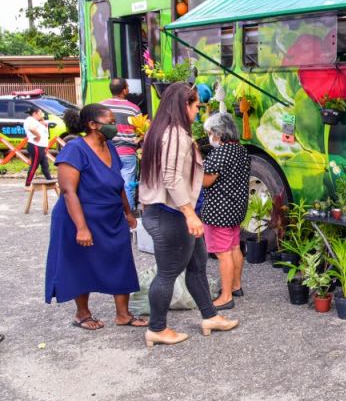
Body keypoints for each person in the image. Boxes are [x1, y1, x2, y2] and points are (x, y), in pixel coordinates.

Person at [139, 83, 238, 347]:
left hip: (172, 212)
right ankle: (157, 328)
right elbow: (171, 177)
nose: (197, 111)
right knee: (168, 273)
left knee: (197, 266)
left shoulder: (160, 131)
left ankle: (210, 316)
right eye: (195, 106)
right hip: (170, 213)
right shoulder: (174, 135)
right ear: (184, 105)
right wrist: (189, 214)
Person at [44, 104, 147, 330]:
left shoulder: (109, 146)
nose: (114, 126)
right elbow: (68, 191)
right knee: (80, 263)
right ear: (92, 125)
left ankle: (123, 314)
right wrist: (81, 227)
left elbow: (118, 183)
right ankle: (82, 314)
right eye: (109, 122)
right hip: (78, 215)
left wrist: (128, 212)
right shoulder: (74, 150)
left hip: (110, 214)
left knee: (122, 259)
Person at [201, 113, 251, 310]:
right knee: (234, 248)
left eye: (210, 133)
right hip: (236, 208)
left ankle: (226, 296)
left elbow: (206, 181)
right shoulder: (241, 150)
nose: (209, 137)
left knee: (223, 253)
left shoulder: (220, 154)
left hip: (219, 211)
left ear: (220, 133)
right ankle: (236, 286)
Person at [101, 78, 142, 211]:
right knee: (128, 185)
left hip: (106, 152)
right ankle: (128, 214)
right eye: (127, 87)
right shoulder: (134, 109)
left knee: (107, 183)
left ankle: (111, 212)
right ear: (124, 90)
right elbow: (140, 130)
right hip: (127, 152)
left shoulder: (101, 107)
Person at [23, 107, 53, 188]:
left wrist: (42, 121)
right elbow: (31, 128)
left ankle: (50, 180)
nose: (41, 115)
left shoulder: (36, 121)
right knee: (34, 165)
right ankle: (27, 185)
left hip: (41, 146)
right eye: (40, 113)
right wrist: (38, 135)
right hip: (35, 145)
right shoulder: (30, 120)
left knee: (45, 164)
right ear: (34, 114)